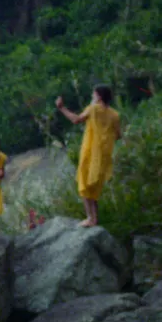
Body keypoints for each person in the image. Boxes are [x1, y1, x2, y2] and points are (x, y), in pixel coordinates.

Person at [56, 85, 122, 228]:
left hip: (91, 152)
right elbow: (118, 135)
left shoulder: (93, 109)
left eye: (93, 94)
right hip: (103, 155)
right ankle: (94, 219)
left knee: (84, 183)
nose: (92, 97)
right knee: (94, 186)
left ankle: (90, 218)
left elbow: (76, 120)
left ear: (98, 97)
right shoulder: (115, 114)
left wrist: (62, 108)